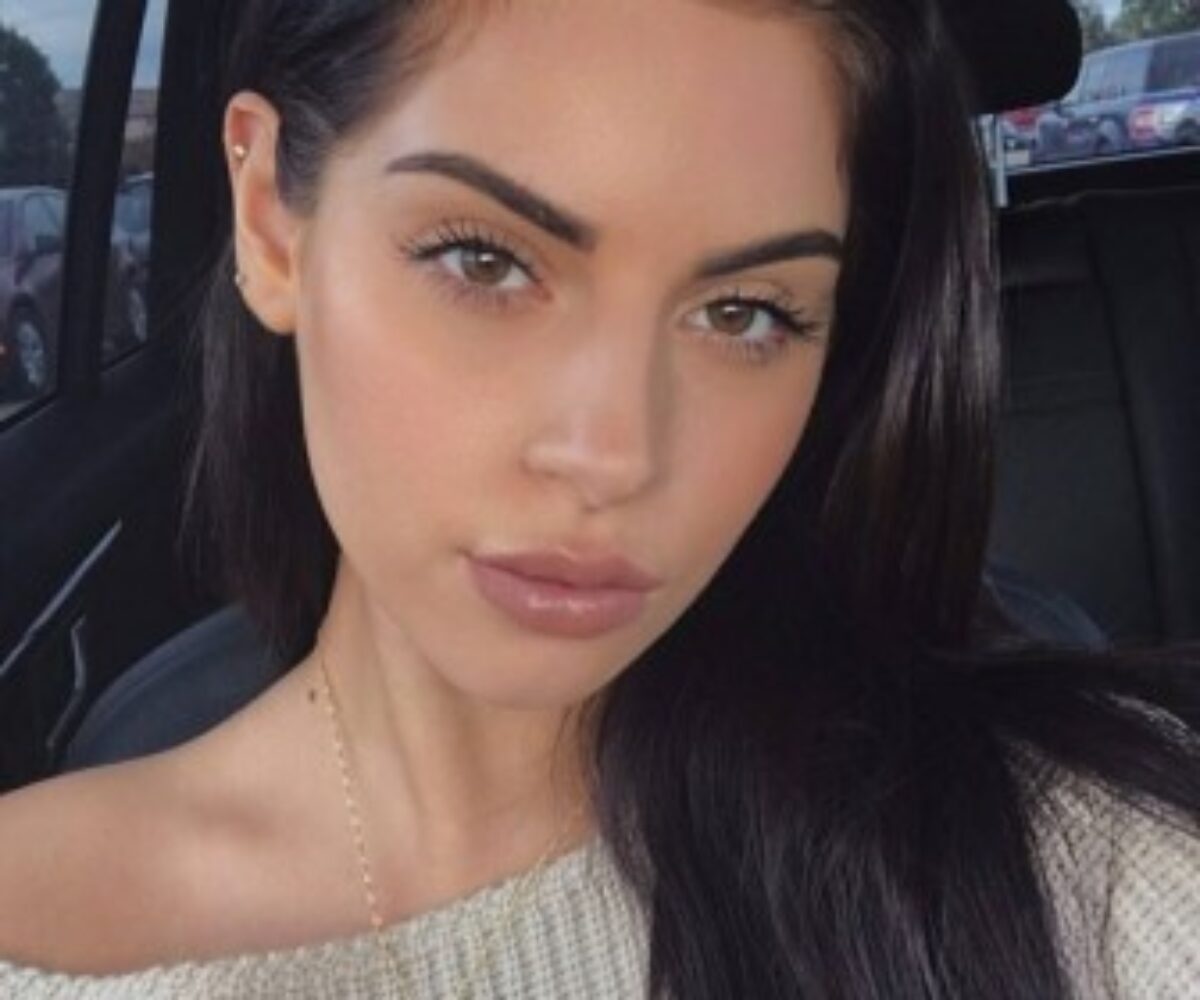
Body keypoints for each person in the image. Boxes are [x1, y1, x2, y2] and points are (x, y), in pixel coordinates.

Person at [1, 0, 1197, 996]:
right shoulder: (35, 933)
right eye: (483, 259)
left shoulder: (1083, 859)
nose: (614, 456)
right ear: (271, 222)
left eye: (744, 313)